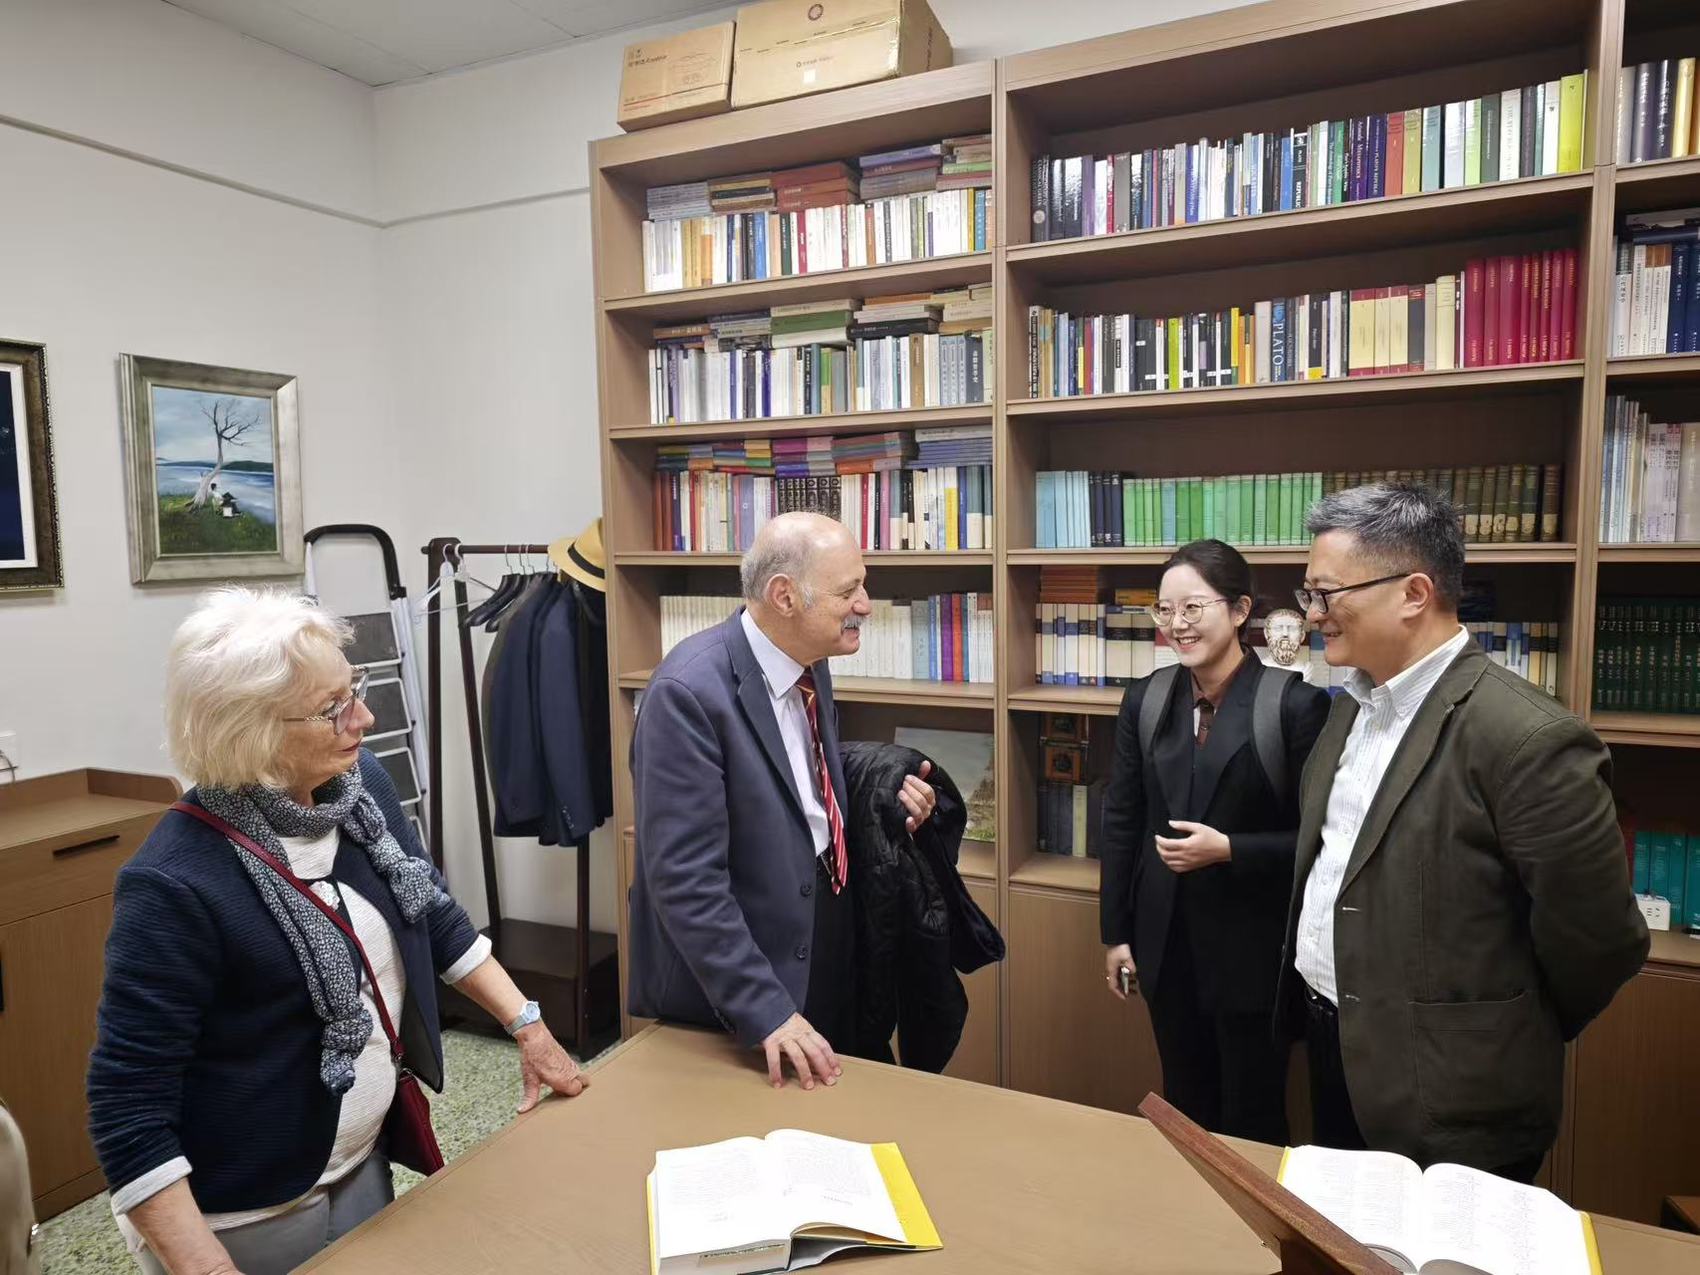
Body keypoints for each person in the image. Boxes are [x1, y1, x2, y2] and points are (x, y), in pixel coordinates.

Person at [87, 587, 591, 1275]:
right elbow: (128, 1108)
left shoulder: (357, 788)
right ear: (250, 730)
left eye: (354, 689)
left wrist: (529, 1028)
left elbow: (431, 911)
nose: (364, 716)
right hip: (246, 1214)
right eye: (333, 708)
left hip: (362, 1163)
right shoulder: (173, 883)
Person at [1278, 482, 1649, 1181]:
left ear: (1414, 593)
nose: (1312, 615)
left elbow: (1601, 940)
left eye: (1325, 594)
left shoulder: (1526, 738)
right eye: (1309, 594)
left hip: (1455, 1088)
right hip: (1335, 1045)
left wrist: (1500, 1025)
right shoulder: (1349, 707)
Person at [627, 512, 937, 1091]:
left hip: (818, 935)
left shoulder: (809, 664)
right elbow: (686, 880)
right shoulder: (685, 695)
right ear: (785, 596)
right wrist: (765, 1008)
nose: (866, 605)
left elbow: (790, 775)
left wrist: (881, 788)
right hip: (736, 988)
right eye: (848, 591)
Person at [1100, 540, 1330, 1144]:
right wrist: (1116, 934)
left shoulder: (1295, 705)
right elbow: (1122, 818)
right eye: (1165, 610)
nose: (1177, 624)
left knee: (1254, 1117)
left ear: (1240, 610)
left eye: (1193, 608)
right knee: (1184, 1105)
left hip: (1255, 951)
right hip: (1165, 945)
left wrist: (1230, 849)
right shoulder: (1146, 700)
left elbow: (1322, 841)